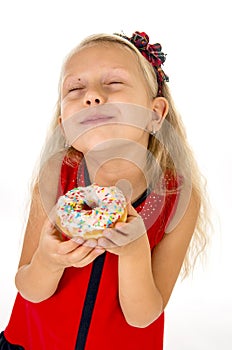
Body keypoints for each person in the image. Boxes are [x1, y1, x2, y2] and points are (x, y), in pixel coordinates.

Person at [0, 31, 209, 349]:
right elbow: (28, 288)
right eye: (75, 88)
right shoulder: (57, 174)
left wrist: (135, 250)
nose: (92, 96)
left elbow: (143, 316)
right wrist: (49, 260)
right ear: (64, 126)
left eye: (113, 83)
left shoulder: (177, 198)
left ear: (155, 114)